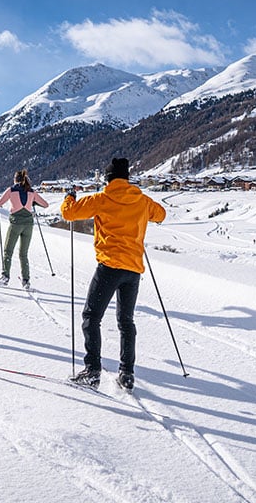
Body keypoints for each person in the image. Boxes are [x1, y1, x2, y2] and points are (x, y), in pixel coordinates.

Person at [60, 157, 166, 391]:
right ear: (127, 178)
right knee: (126, 321)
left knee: (91, 317)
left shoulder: (103, 198)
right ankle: (127, 373)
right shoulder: (142, 200)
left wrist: (69, 196)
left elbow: (69, 214)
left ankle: (92, 370)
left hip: (109, 267)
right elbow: (161, 215)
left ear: (108, 179)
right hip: (133, 269)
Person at [0, 169, 49, 289]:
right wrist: (33, 203)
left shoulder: (11, 190)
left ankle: (5, 276)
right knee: (23, 253)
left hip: (16, 224)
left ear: (15, 179)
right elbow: (45, 204)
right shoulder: (31, 192)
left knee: (8, 251)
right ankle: (26, 280)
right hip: (28, 225)